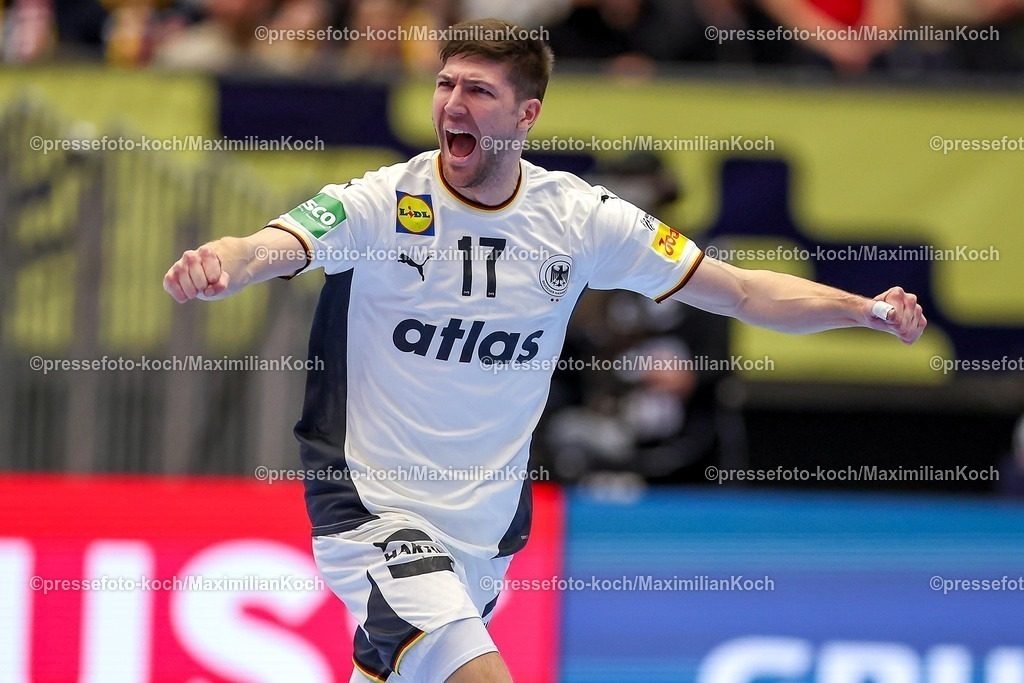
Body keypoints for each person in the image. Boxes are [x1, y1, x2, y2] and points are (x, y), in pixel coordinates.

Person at [162, 17, 927, 683]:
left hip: (485, 532)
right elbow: (271, 244)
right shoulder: (385, 203)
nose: (452, 105)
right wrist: (224, 263)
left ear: (527, 115)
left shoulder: (580, 220)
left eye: (479, 92)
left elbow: (743, 292)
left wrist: (862, 309)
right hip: (372, 512)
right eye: (445, 84)